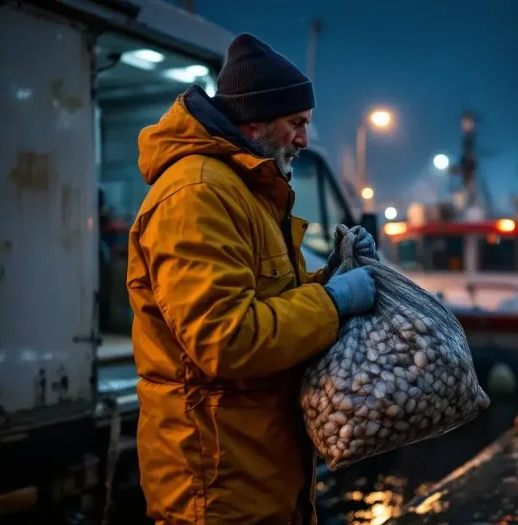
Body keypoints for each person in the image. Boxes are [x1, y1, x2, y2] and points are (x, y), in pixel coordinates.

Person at [127, 33, 378, 524]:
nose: (303, 140)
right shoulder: (198, 194)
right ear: (257, 119)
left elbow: (267, 298)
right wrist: (332, 302)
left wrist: (332, 274)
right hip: (216, 481)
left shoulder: (244, 189)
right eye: (297, 124)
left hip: (256, 466)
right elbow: (225, 338)